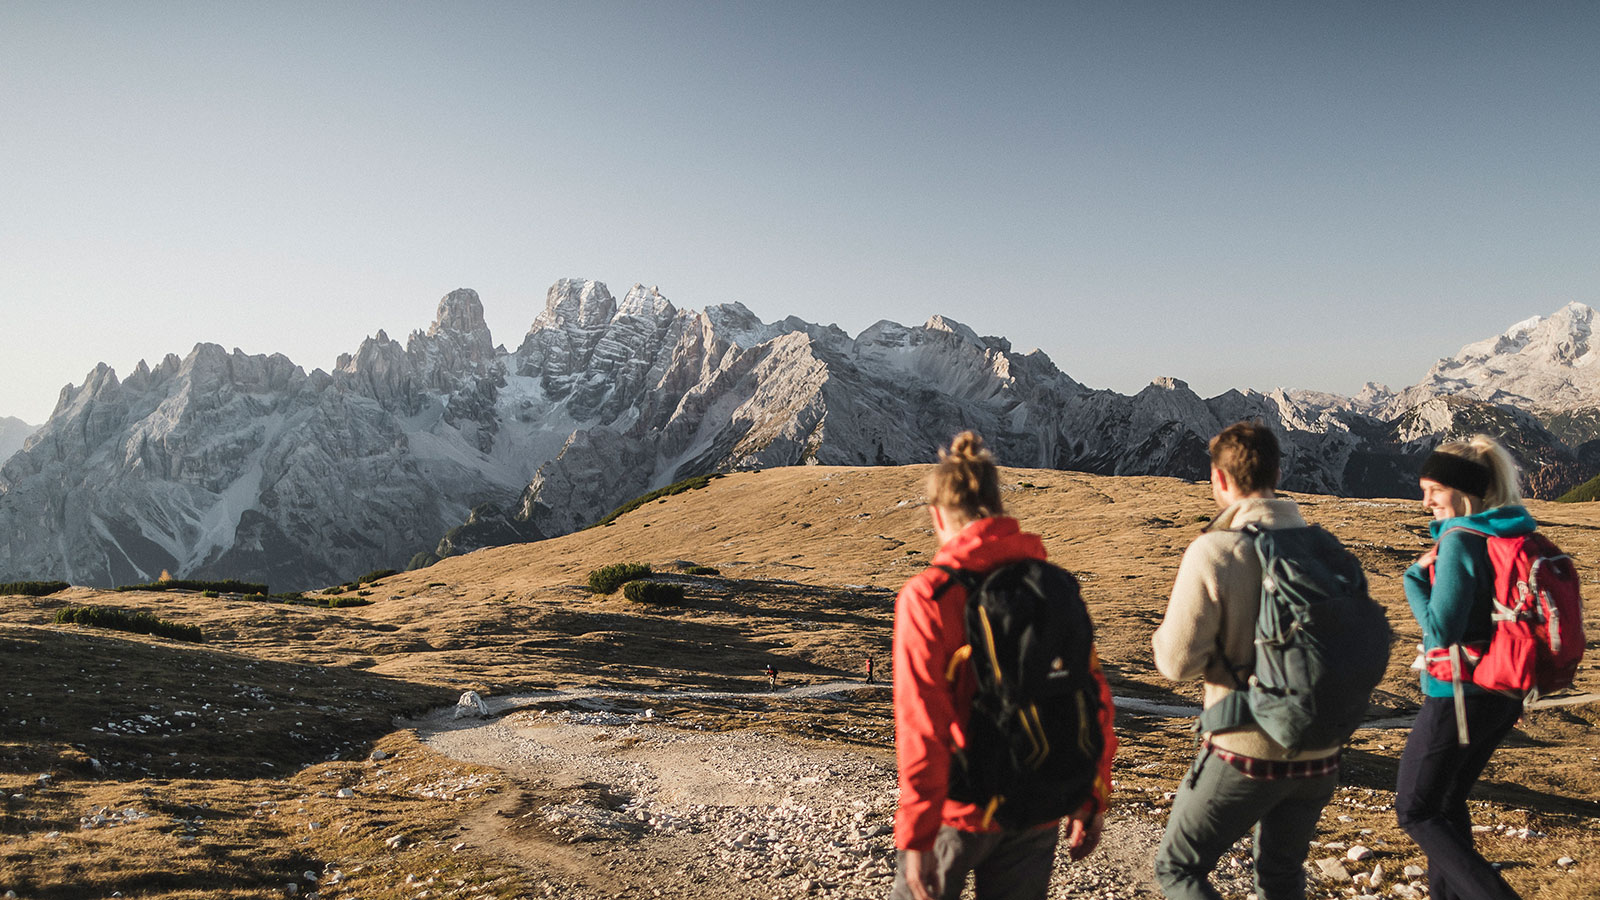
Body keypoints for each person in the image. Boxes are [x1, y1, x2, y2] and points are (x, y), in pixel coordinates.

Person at [892, 431, 1115, 900]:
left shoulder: (930, 597)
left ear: (937, 515)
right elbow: (1092, 694)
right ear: (998, 507)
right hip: (1039, 797)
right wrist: (1093, 791)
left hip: (961, 809)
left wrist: (916, 835)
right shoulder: (1052, 585)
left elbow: (922, 727)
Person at [1151, 421, 1342, 900]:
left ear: (1219, 480)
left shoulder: (1215, 550)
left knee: (1177, 869)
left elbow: (1176, 663)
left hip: (1247, 747)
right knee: (1280, 877)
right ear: (1278, 471)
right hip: (1321, 749)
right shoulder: (1324, 548)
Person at [1396, 436, 1531, 900]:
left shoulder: (1459, 541)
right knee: (1447, 806)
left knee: (1415, 810)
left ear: (1462, 490)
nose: (1426, 500)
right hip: (1502, 692)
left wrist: (1414, 578)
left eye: (1434, 489)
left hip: (1459, 695)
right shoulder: (1507, 532)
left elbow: (1440, 630)